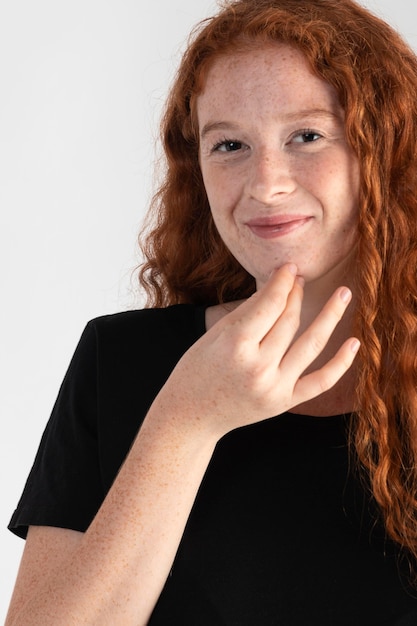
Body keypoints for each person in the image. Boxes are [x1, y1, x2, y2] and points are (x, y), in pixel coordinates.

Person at [5, 0, 417, 623]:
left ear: (389, 149)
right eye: (229, 144)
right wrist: (186, 420)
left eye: (307, 135)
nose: (265, 183)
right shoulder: (119, 360)